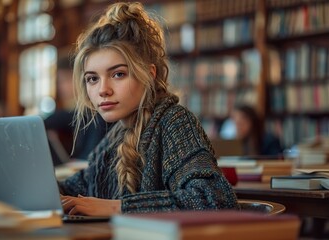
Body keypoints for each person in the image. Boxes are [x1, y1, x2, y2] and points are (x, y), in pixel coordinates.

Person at [59, 2, 238, 216]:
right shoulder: (112, 141)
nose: (102, 90)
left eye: (118, 74)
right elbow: (72, 189)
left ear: (149, 74)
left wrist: (117, 207)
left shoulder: (175, 122)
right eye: (92, 79)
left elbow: (214, 201)